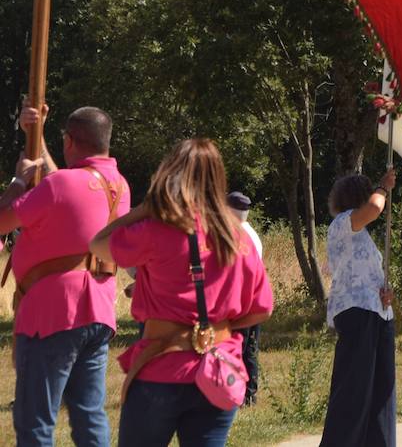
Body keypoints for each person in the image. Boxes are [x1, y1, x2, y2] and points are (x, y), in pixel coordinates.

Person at [90, 138, 273, 447]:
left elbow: (98, 245)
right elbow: (262, 309)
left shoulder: (156, 229)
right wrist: (215, 329)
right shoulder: (237, 237)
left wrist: (144, 210)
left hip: (162, 367)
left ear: (169, 174)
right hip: (219, 370)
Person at [0, 104, 129, 447]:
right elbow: (64, 183)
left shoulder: (61, 185)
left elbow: (3, 220)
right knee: (89, 415)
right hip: (98, 310)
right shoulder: (117, 186)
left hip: (53, 313)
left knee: (36, 421)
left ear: (70, 141)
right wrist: (36, 136)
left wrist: (18, 181)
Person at [318, 168, 398, 446]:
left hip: (377, 315)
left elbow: (366, 275)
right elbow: (375, 208)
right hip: (355, 314)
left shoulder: (361, 236)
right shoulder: (342, 224)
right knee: (354, 392)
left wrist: (385, 293)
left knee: (380, 393)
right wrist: (384, 187)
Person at [226, 191, 263, 406]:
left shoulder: (236, 235)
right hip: (255, 299)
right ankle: (250, 394)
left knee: (236, 348)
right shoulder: (253, 234)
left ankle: (236, 393)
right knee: (250, 348)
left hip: (239, 300)